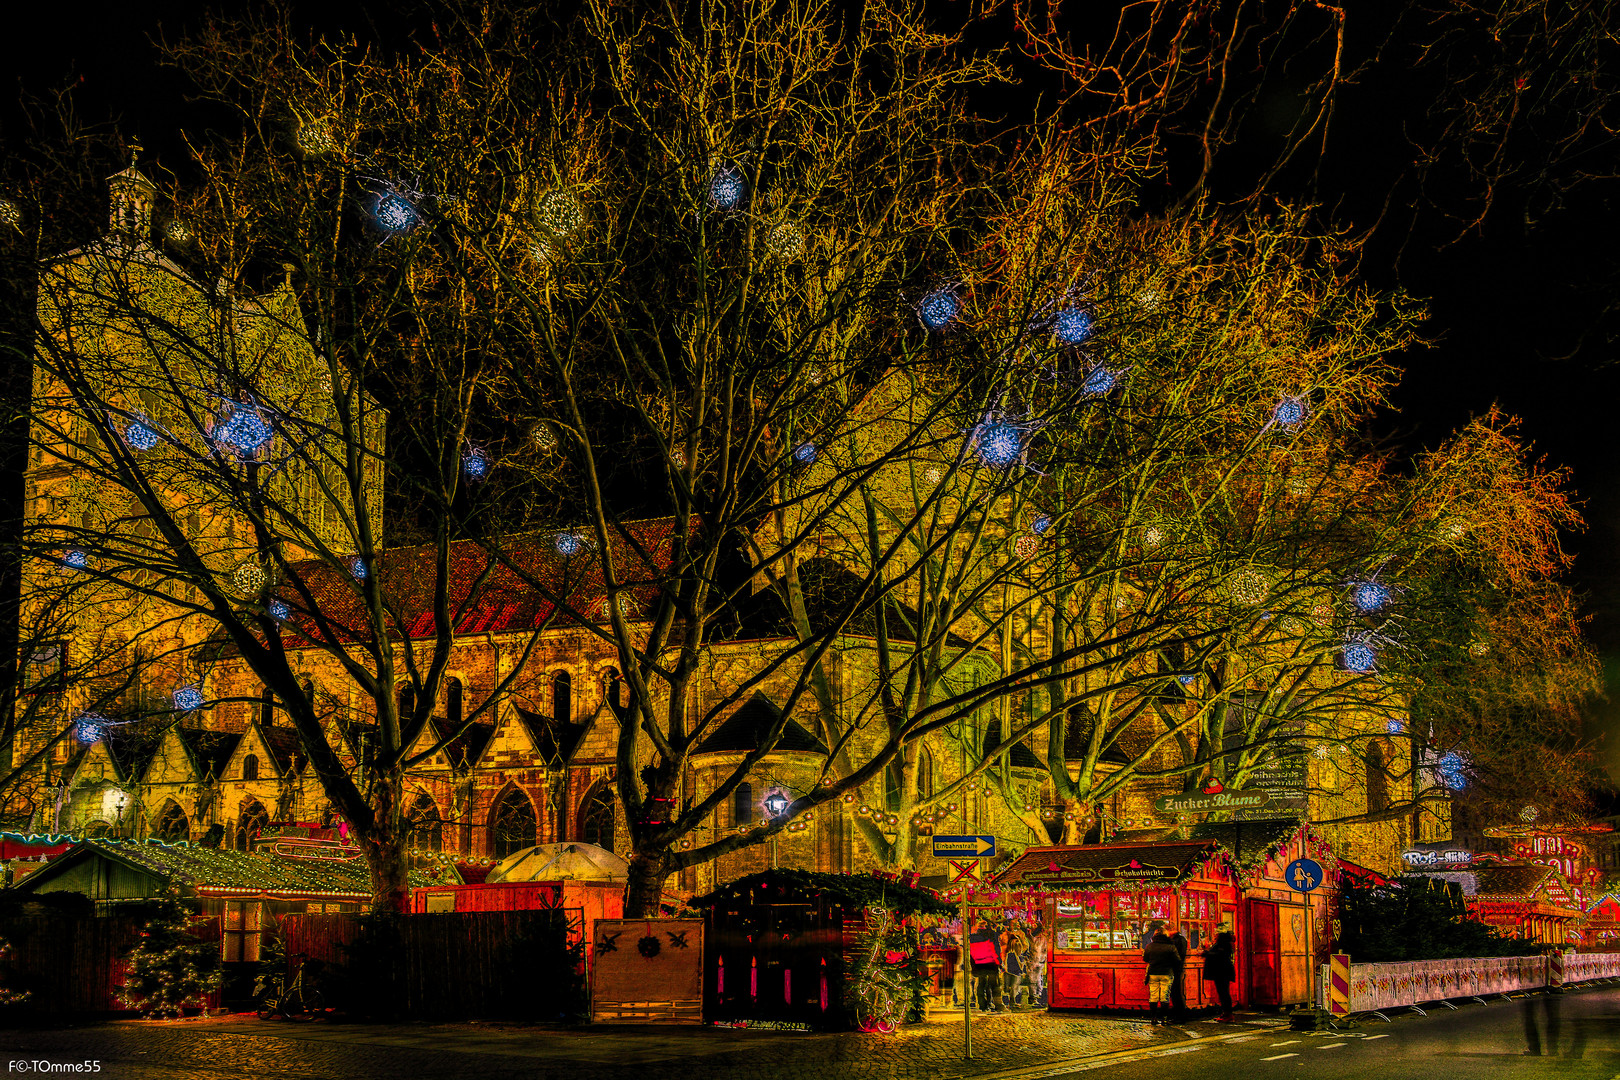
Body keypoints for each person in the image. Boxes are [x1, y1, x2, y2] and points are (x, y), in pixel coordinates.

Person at [1142, 921, 1182, 1025]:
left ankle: (1154, 1018)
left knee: (1153, 996)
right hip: (1167, 973)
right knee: (1165, 996)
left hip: (1153, 973)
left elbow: (1145, 959)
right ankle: (1164, 1018)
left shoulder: (1149, 946)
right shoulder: (1171, 947)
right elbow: (1177, 960)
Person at [968, 918, 1005, 1013]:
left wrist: (973, 965)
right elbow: (996, 950)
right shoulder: (992, 935)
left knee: (981, 984)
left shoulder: (972, 937)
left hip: (979, 963)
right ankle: (998, 1005)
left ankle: (982, 1005)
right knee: (995, 985)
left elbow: (971, 953)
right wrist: (1000, 963)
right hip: (991, 962)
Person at [1202, 930, 1236, 1022]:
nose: (1214, 937)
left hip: (1222, 972)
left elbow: (1220, 955)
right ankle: (1226, 1013)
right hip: (1222, 971)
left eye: (1216, 935)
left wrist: (1206, 953)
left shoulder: (1223, 944)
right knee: (1223, 993)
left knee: (1224, 993)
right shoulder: (1224, 944)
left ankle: (1228, 1014)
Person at [1168, 925, 1190, 1022]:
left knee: (1175, 992)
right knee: (1176, 992)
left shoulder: (1176, 941)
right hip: (1177, 968)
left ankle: (1179, 1015)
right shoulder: (1181, 939)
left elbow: (1176, 956)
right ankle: (1179, 1014)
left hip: (1174, 969)